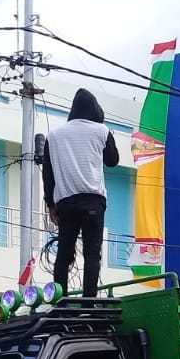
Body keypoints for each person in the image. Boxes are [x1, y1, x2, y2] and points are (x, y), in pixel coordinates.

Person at [42, 88, 120, 298]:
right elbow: (113, 161)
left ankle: (60, 301)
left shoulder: (53, 136)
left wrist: (50, 205)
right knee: (92, 255)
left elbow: (48, 174)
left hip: (66, 203)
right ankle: (89, 303)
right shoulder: (101, 130)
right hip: (93, 201)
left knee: (64, 255)